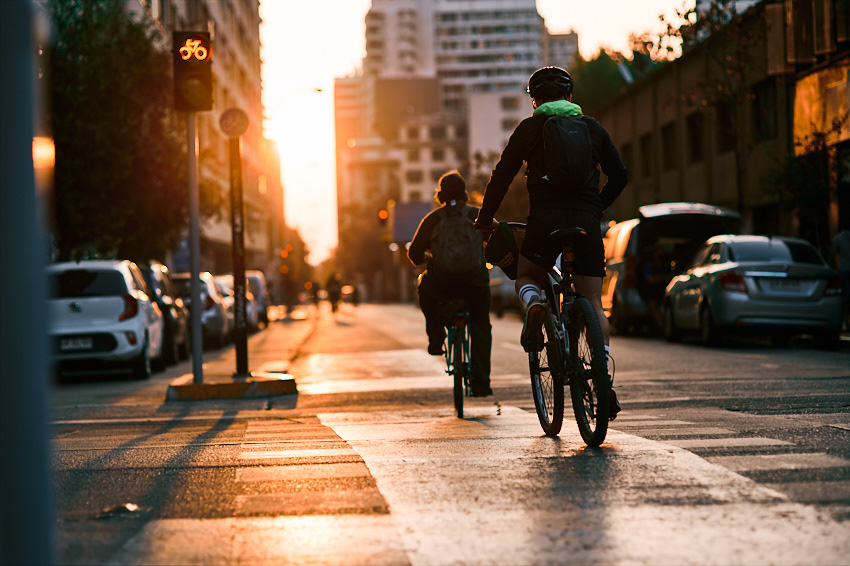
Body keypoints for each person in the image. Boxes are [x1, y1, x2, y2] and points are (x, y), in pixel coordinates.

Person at [473, 66, 628, 417]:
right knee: (592, 300)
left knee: (528, 276)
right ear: (570, 96)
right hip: (587, 222)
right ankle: (601, 378)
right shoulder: (593, 128)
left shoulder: (530, 129)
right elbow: (620, 175)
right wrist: (596, 207)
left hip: (545, 221)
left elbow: (501, 176)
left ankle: (534, 308)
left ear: (535, 100)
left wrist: (484, 219)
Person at [408, 170, 493, 397]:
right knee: (481, 326)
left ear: (441, 195)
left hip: (442, 284)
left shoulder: (432, 220)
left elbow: (414, 254)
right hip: (475, 283)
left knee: (424, 289)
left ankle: (436, 337)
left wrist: (429, 259)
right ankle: (481, 383)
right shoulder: (476, 215)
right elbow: (497, 243)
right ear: (464, 192)